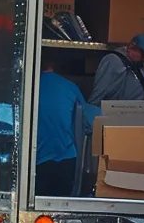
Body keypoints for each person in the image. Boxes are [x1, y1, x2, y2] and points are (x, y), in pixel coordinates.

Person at [36, 59, 98, 197]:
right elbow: (87, 122)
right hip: (66, 159)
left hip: (37, 160)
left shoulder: (29, 86)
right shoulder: (69, 86)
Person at [88, 33, 144, 105]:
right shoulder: (113, 60)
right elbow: (99, 91)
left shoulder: (142, 67)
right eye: (143, 55)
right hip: (114, 110)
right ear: (131, 48)